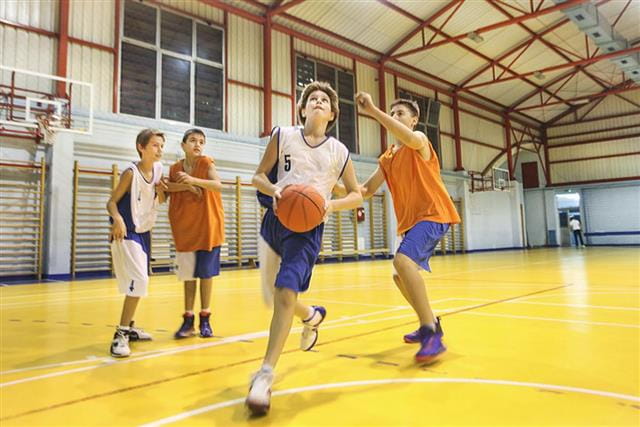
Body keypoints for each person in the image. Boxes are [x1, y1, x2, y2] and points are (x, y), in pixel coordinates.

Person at [246, 81, 362, 415]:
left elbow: (356, 194)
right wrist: (274, 189)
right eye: (312, 99)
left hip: (308, 229)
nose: (318, 102)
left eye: (324, 100)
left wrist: (329, 205)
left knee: (284, 294)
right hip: (276, 219)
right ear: (302, 108)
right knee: (274, 296)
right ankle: (312, 316)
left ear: (333, 113)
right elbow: (257, 177)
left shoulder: (339, 151)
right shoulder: (283, 135)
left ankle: (264, 375)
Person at [346, 93, 460, 364]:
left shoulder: (419, 141)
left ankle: (431, 333)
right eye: (392, 112)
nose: (395, 116)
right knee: (400, 276)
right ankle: (429, 322)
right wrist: (328, 187)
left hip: (434, 214)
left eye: (400, 113)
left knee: (402, 261)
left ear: (414, 120)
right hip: (413, 223)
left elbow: (409, 138)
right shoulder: (387, 158)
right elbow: (366, 190)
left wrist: (374, 110)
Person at [107, 128, 166, 358]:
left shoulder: (159, 170)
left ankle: (129, 327)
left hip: (145, 232)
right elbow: (111, 202)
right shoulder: (131, 173)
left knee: (140, 281)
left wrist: (183, 187)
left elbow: (161, 197)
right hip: (127, 231)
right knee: (138, 280)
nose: (159, 149)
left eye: (161, 145)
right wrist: (118, 219)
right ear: (141, 148)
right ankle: (120, 334)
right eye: (154, 145)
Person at [165, 128, 225, 339]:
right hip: (184, 228)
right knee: (188, 276)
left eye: (201, 141)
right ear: (183, 145)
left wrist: (193, 181)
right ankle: (188, 319)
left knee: (206, 275)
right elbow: (164, 192)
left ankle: (205, 318)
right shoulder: (174, 169)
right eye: (192, 140)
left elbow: (218, 185)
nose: (197, 144)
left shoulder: (206, 163)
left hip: (208, 227)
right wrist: (185, 188)